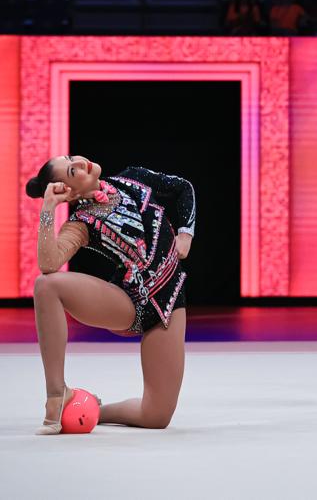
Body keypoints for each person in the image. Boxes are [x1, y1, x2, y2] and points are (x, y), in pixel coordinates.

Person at [26, 157, 194, 433]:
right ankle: (57, 394)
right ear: (70, 192)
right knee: (46, 286)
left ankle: (93, 408)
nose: (81, 163)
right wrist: (48, 208)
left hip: (169, 302)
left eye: (72, 159)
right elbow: (49, 263)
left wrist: (186, 232)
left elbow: (183, 187)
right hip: (128, 302)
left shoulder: (134, 178)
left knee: (156, 417)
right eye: (72, 171)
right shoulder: (81, 222)